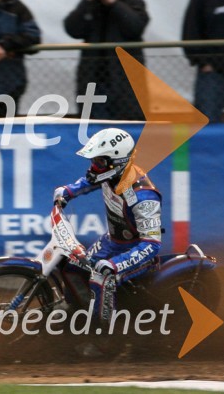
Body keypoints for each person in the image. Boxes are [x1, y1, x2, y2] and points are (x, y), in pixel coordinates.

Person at [53, 127, 162, 324]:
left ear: (117, 162)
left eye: (99, 162)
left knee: (100, 279)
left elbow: (152, 244)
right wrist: (68, 191)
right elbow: (91, 180)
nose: (94, 167)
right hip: (112, 241)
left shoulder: (144, 196)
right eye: (93, 161)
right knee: (73, 266)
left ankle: (105, 332)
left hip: (136, 252)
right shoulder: (112, 174)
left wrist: (115, 264)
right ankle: (77, 311)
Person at [64, 0, 148, 121]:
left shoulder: (133, 2)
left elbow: (135, 28)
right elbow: (72, 29)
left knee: (127, 127)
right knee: (94, 127)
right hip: (93, 81)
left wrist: (114, 3)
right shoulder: (90, 4)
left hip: (125, 83)